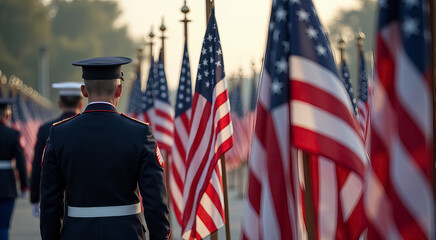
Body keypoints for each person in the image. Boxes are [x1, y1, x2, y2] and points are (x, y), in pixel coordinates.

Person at [40, 57, 170, 240]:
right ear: (119, 90)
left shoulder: (59, 134)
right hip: (127, 234)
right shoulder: (139, 132)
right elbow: (155, 202)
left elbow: (50, 203)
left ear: (84, 91)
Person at [30, 82, 83, 217]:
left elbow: (37, 165)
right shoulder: (87, 127)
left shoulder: (45, 129)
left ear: (60, 104)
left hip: (53, 192)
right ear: (81, 104)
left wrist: (35, 197)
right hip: (82, 196)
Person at [0, 98, 28, 240]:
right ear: (7, 115)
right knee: (3, 226)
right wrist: (23, 186)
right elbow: (21, 163)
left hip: (7, 185)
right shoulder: (13, 135)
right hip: (6, 185)